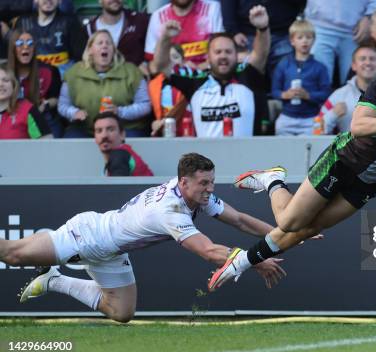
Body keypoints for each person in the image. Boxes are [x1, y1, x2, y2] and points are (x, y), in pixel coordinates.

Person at [207, 52, 376, 291]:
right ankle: (273, 180)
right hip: (342, 162)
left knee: (310, 229)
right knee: (288, 222)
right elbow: (357, 126)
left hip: (367, 183)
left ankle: (240, 263)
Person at [3, 153, 286, 323]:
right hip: (88, 235)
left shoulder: (195, 194)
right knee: (12, 254)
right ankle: (49, 249)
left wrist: (284, 232)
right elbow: (209, 251)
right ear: (184, 182)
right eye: (205, 183)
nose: (211, 189)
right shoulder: (171, 210)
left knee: (122, 312)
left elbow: (238, 220)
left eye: (212, 182)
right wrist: (256, 260)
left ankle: (54, 280)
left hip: (111, 252)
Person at [151, 5, 270, 138]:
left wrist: (262, 28)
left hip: (246, 157)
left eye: (228, 52)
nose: (223, 56)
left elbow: (260, 55)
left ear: (237, 56)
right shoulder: (195, 81)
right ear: (208, 57)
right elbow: (161, 66)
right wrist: (166, 37)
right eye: (218, 52)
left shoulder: (247, 76)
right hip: (205, 158)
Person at [58, 30, 151, 138]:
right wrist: (74, 112)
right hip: (86, 129)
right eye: (100, 43)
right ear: (90, 50)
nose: (105, 46)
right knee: (71, 139)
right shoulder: (73, 73)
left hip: (124, 128)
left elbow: (145, 105)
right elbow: (62, 105)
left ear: (113, 50)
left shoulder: (131, 72)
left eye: (108, 43)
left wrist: (119, 111)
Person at [221, 0, 306, 84]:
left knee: (288, 78)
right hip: (248, 34)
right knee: (249, 76)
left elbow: (302, 3)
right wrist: (234, 31)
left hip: (282, 32)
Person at [304, 0, 376, 85]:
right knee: (318, 82)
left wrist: (369, 15)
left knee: (355, 83)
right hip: (319, 26)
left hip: (355, 31)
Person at [271, 19, 330, 136]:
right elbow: (274, 91)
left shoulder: (320, 67)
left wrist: (308, 96)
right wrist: (285, 95)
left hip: (311, 119)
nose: (305, 41)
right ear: (292, 41)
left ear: (314, 40)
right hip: (287, 118)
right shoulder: (284, 64)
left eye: (308, 37)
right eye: (300, 37)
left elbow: (326, 93)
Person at [7, 29, 63, 138]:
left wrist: (45, 105)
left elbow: (57, 99)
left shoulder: (49, 71)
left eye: (30, 43)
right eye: (20, 43)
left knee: (52, 146)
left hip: (42, 115)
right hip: (11, 116)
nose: (26, 46)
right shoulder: (4, 72)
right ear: (12, 48)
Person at [316, 45, 376, 134]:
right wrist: (333, 114)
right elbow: (317, 130)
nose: (368, 62)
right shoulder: (340, 95)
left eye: (372, 59)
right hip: (349, 147)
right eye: (362, 59)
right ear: (354, 66)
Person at [12, 0, 87, 76]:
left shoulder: (70, 22)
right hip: (31, 76)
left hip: (63, 77)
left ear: (60, 1)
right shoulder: (23, 22)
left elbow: (80, 56)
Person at [145, 0, 224, 69]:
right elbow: (152, 62)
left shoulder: (212, 9)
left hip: (208, 75)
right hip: (171, 78)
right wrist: (165, 37)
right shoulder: (158, 16)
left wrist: (203, 66)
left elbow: (222, 50)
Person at [84, 0, 150, 74]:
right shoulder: (89, 28)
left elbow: (152, 52)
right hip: (102, 82)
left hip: (134, 80)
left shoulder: (140, 21)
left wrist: (145, 64)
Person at [0, 65, 52, 139]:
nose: (1, 84)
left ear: (14, 85)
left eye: (5, 80)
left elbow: (46, 142)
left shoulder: (26, 110)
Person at [94, 112, 153, 176]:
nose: (104, 135)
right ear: (95, 137)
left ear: (122, 135)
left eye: (111, 130)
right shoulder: (121, 155)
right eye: (99, 131)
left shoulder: (119, 155)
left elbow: (117, 185)